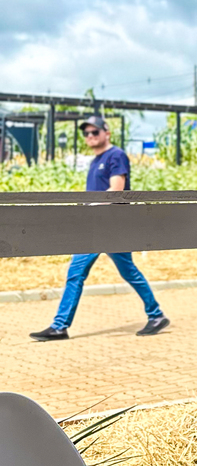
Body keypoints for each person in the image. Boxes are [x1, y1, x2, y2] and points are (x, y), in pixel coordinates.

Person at [29, 115, 169, 341]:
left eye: (95, 132)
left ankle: (60, 326)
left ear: (107, 133)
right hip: (97, 224)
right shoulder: (96, 160)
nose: (90, 136)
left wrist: (89, 207)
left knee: (85, 273)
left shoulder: (116, 155)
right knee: (115, 272)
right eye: (86, 133)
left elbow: (116, 189)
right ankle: (156, 315)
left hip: (110, 225)